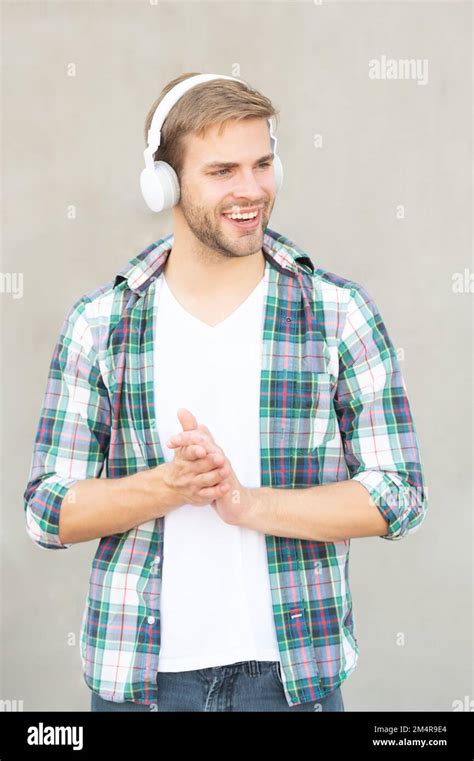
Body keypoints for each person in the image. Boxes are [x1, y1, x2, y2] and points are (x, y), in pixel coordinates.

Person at [23, 72, 429, 713]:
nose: (251, 190)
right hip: (140, 688)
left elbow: (399, 496)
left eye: (263, 164)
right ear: (164, 183)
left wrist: (247, 504)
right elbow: (47, 512)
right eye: (222, 171)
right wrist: (170, 486)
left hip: (291, 684)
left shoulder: (338, 314)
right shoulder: (101, 324)